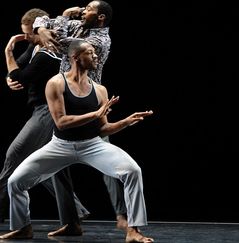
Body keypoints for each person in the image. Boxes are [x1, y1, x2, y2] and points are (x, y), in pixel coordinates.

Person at [0, 39, 154, 243]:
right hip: (60, 146)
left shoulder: (100, 90)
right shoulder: (56, 83)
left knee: (132, 171)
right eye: (90, 53)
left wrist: (126, 122)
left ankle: (134, 231)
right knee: (15, 182)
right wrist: (95, 113)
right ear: (75, 57)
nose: (96, 56)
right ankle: (22, 227)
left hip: (92, 145)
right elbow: (62, 122)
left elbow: (103, 129)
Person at [33, 1, 130, 233]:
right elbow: (42, 23)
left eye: (89, 9)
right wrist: (41, 29)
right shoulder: (80, 27)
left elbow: (57, 44)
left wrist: (61, 18)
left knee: (109, 163)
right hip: (66, 98)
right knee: (56, 165)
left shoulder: (99, 41)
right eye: (84, 8)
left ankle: (123, 216)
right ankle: (71, 221)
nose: (83, 11)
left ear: (101, 18)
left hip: (89, 100)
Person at [0, 8, 90, 224]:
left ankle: (1, 207)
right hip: (41, 109)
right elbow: (17, 71)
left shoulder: (50, 52)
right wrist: (8, 78)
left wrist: (8, 53)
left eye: (31, 33)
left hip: (47, 111)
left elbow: (23, 76)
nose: (27, 37)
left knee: (16, 153)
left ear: (44, 29)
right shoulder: (35, 45)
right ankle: (75, 213)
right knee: (52, 164)